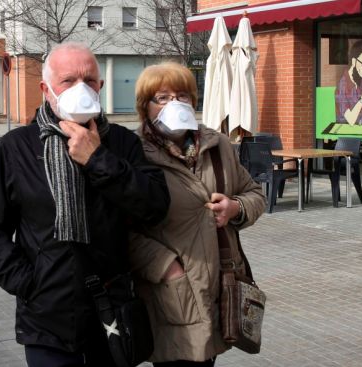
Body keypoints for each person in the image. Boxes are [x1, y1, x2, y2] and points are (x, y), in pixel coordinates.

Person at [0, 42, 170, 367]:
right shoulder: (15, 149)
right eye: (68, 81)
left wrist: (97, 159)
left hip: (112, 314)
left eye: (89, 81)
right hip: (47, 319)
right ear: (47, 90)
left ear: (100, 87)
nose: (81, 88)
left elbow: (155, 207)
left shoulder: (122, 143)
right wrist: (28, 282)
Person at [128, 62, 266, 367]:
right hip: (169, 292)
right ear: (144, 107)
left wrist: (236, 208)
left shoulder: (218, 146)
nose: (174, 104)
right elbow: (121, 227)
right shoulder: (131, 152)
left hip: (218, 288)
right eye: (162, 98)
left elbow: (255, 193)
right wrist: (165, 266)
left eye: (182, 96)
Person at [335, 40, 362, 126]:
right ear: (354, 61)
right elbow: (350, 121)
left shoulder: (360, 83)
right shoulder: (342, 86)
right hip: (347, 134)